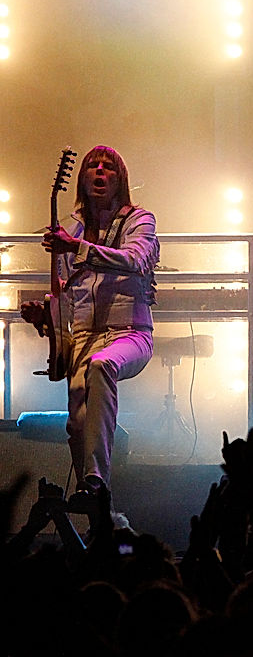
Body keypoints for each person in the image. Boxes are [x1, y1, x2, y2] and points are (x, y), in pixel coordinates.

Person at [20, 145, 158, 506]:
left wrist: (77, 247)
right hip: (83, 337)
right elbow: (70, 295)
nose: (99, 171)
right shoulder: (73, 228)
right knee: (77, 424)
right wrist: (46, 311)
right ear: (81, 179)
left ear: (120, 179)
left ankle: (96, 481)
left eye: (108, 166)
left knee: (103, 365)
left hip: (129, 333)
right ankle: (98, 507)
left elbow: (134, 258)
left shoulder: (138, 220)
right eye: (92, 166)